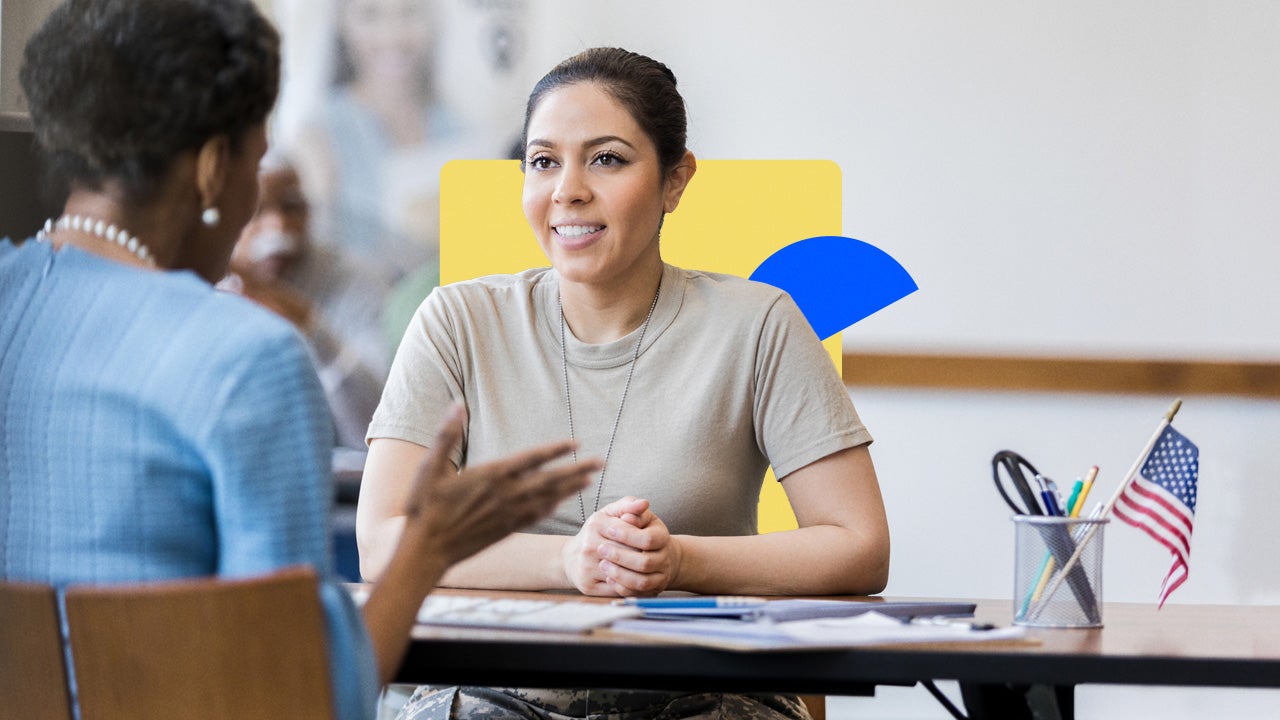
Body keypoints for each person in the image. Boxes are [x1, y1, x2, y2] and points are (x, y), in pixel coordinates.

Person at [0, 3, 599, 719]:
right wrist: (426, 549)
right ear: (215, 167)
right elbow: (307, 700)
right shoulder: (245, 359)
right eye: (255, 161)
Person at [358, 47, 891, 720]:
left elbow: (860, 545)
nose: (567, 189)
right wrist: (569, 562)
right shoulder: (456, 319)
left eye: (606, 158)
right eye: (543, 161)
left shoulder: (760, 322)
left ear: (675, 180)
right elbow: (382, 542)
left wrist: (677, 563)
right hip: (494, 690)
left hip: (707, 691)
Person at [223, 155, 393, 450]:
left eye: (292, 206)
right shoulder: (210, 291)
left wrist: (310, 326)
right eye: (256, 211)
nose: (278, 226)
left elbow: (378, 428)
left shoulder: (356, 279)